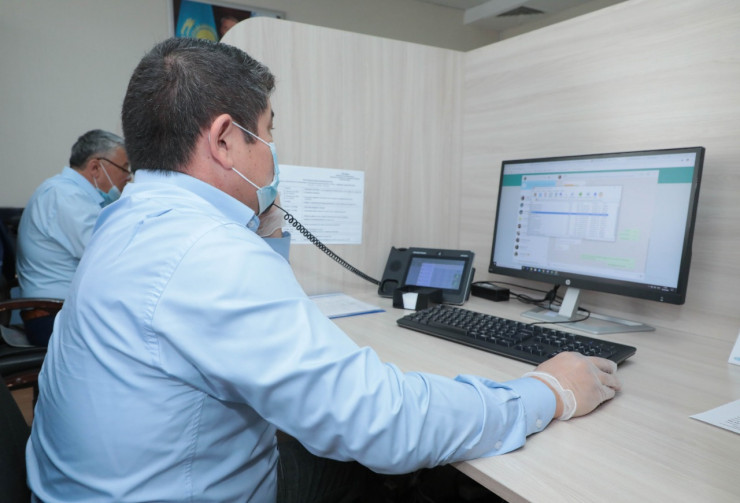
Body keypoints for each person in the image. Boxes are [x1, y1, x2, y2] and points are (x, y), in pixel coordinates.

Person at [26, 37, 621, 503]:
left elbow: (224, 330)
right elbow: (385, 424)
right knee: (389, 471)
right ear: (225, 140)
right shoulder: (208, 253)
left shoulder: (126, 220)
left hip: (92, 486)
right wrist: (547, 392)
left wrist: (263, 234)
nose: (272, 151)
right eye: (268, 131)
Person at [14, 129, 129, 346]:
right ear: (95, 167)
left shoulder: (69, 193)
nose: (128, 177)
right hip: (55, 317)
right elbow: (111, 257)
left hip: (66, 312)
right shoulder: (65, 196)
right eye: (124, 168)